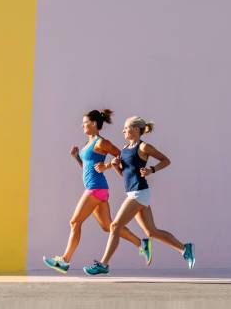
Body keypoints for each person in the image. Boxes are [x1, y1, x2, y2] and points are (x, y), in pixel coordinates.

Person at [83, 116, 194, 275]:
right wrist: (113, 167)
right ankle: (185, 249)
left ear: (136, 129)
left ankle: (104, 264)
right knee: (151, 232)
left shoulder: (144, 147)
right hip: (134, 192)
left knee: (115, 226)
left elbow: (165, 160)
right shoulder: (125, 148)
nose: (123, 130)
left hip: (139, 193)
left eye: (126, 128)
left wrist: (152, 170)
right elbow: (125, 175)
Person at [43, 110, 151, 273]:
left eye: (85, 123)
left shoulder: (101, 142)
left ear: (94, 124)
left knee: (75, 222)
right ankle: (142, 244)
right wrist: (77, 158)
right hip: (95, 188)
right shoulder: (88, 144)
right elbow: (88, 169)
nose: (82, 125)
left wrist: (107, 166)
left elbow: (123, 156)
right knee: (109, 227)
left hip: (96, 188)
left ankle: (65, 261)